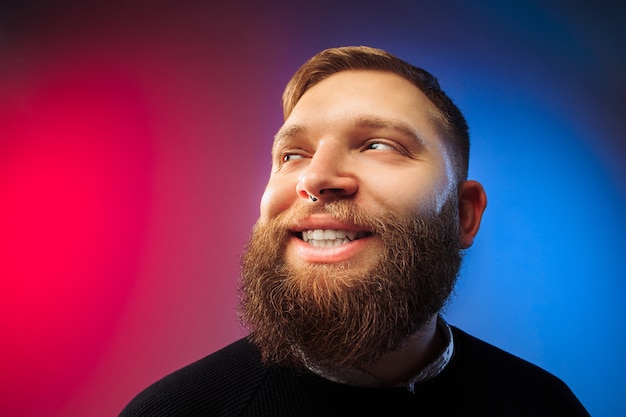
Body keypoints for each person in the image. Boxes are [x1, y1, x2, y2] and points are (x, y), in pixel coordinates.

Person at [119, 46, 589, 416]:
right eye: (292, 155)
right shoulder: (174, 411)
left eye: (378, 145)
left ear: (463, 214)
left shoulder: (546, 405)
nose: (314, 179)